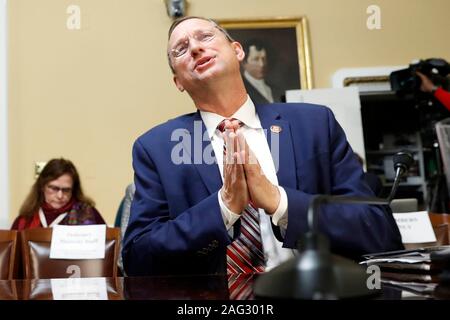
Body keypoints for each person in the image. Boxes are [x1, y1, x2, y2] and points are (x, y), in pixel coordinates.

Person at [122, 16, 403, 277]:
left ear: (237, 51)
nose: (194, 47)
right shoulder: (156, 148)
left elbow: (379, 231)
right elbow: (138, 260)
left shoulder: (315, 124)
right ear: (178, 82)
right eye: (180, 49)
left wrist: (280, 203)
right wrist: (224, 208)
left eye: (205, 37)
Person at [11, 158, 105, 230]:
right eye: (54, 188)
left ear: (74, 189)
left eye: (66, 190)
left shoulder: (88, 213)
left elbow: (107, 249)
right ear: (42, 186)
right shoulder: (25, 219)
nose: (60, 196)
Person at [241, 39, 284, 105]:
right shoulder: (240, 88)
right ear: (244, 62)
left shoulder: (274, 89)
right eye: (256, 59)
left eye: (264, 59)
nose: (262, 64)